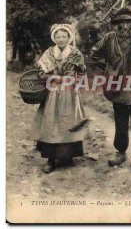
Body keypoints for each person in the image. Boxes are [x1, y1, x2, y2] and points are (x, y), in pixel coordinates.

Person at [90, 8, 131, 172]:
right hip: (117, 86)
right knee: (120, 121)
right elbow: (94, 53)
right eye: (121, 22)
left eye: (128, 22)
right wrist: (107, 68)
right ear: (116, 24)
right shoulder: (109, 38)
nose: (124, 25)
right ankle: (120, 152)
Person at [33, 24, 87, 173]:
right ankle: (50, 159)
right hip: (53, 92)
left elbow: (82, 71)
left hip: (69, 92)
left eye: (64, 36)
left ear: (69, 37)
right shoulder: (49, 53)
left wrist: (77, 82)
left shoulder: (76, 53)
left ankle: (67, 156)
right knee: (51, 122)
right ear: (54, 38)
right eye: (58, 36)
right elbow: (40, 73)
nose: (61, 39)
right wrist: (52, 77)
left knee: (68, 121)